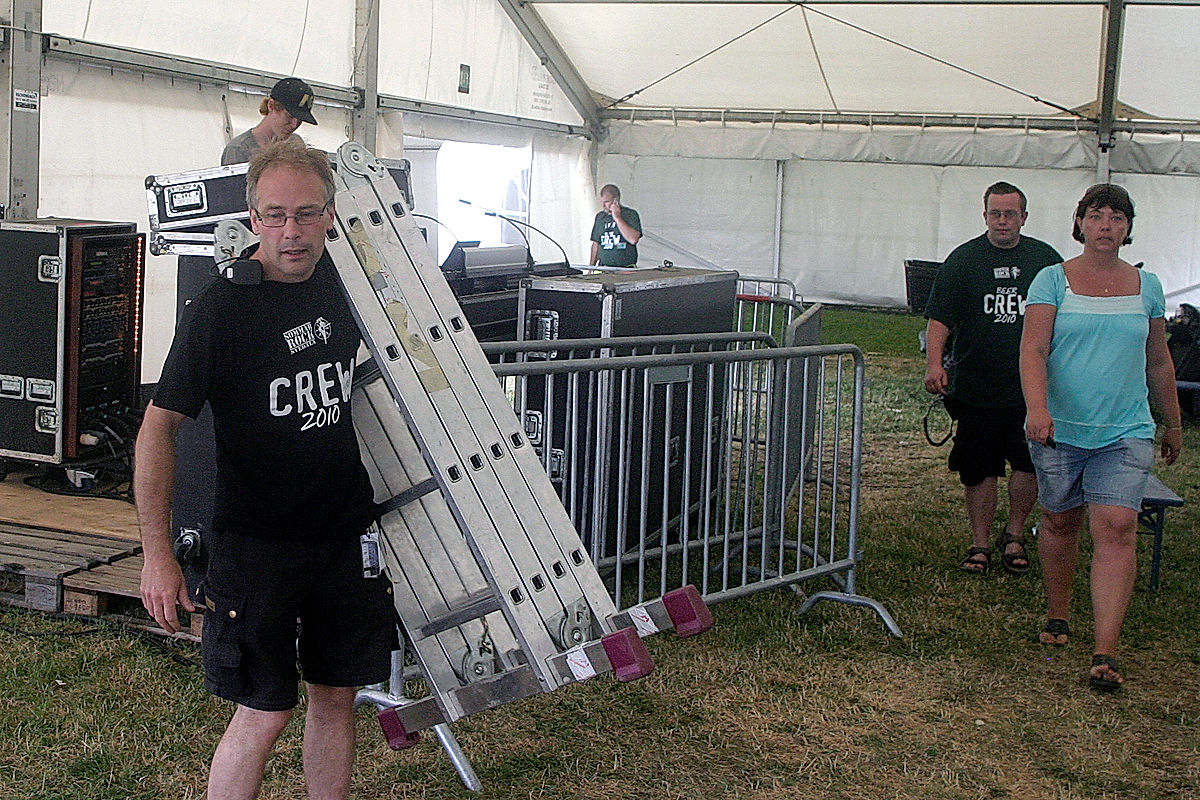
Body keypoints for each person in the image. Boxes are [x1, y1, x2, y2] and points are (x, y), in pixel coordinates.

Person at [135, 138, 396, 799]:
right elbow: (157, 431)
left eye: (308, 214)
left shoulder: (350, 284)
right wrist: (157, 555)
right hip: (257, 545)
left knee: (336, 694)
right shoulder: (222, 311)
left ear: (332, 213)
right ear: (252, 218)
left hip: (342, 533)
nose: (292, 232)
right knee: (266, 707)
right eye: (276, 215)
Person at [1020, 183, 1182, 693]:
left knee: (1116, 526)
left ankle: (1105, 649)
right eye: (1097, 215)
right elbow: (1032, 350)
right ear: (1080, 223)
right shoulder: (1052, 280)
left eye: (1116, 217)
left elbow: (1158, 360)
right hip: (1060, 427)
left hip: (1126, 429)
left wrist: (1172, 420)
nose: (1106, 225)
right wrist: (1038, 408)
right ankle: (1058, 611)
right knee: (1060, 520)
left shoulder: (1147, 285)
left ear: (1128, 228)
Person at [924, 182, 1063, 575]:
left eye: (1011, 213)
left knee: (1029, 464)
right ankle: (980, 542)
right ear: (984, 215)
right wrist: (935, 363)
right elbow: (939, 320)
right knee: (979, 468)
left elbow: (1064, 321)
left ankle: (1015, 534)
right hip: (977, 387)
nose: (1003, 221)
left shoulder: (1045, 260)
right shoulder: (964, 260)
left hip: (1032, 391)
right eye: (995, 213)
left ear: (1024, 217)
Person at [220, 77, 318, 166]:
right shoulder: (238, 150)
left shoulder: (296, 144)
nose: (294, 125)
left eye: (300, 120)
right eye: (289, 116)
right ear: (271, 106)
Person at [589, 184, 642, 267]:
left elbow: (633, 239)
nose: (603, 205)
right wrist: (591, 267)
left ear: (615, 200)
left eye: (606, 202)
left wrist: (617, 217)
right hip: (604, 268)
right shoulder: (600, 217)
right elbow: (596, 243)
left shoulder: (630, 214)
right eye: (602, 202)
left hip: (625, 268)